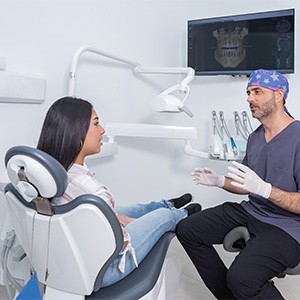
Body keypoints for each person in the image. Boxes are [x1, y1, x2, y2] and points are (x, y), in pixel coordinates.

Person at [37, 96, 201, 287]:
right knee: (163, 217)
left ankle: (168, 203)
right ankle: (180, 215)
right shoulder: (92, 191)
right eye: (96, 124)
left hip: (81, 252)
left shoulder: (54, 176)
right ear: (76, 132)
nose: (103, 130)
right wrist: (129, 222)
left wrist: (120, 216)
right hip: (107, 268)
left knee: (132, 208)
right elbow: (121, 242)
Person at [176, 69, 300, 299]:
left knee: (241, 277)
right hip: (251, 211)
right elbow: (247, 184)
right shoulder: (255, 137)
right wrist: (220, 181)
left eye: (257, 92)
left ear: (279, 95)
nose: (249, 98)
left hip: (289, 227)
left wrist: (266, 189)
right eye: (248, 92)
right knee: (187, 229)